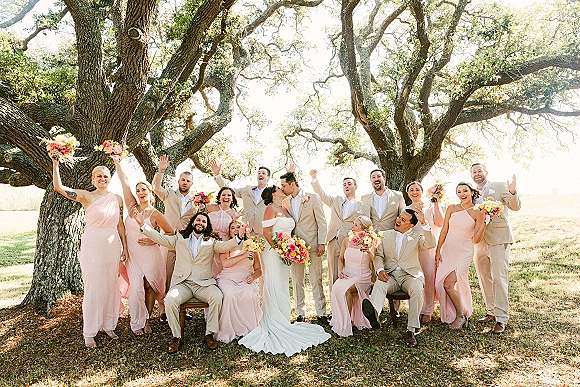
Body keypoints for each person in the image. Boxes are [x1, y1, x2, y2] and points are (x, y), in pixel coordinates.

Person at [134, 211, 245, 353]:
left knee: (217, 296)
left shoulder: (212, 241)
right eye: (198, 220)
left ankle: (209, 334)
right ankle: (176, 337)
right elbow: (161, 238)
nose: (201, 223)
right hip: (183, 284)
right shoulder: (180, 237)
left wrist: (239, 237)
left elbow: (226, 246)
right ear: (193, 222)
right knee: (170, 299)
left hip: (203, 284)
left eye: (204, 221)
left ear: (207, 225)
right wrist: (141, 224)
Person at [239, 186, 331, 355]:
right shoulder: (270, 208)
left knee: (283, 285)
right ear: (273, 193)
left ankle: (283, 318)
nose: (282, 189)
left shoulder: (285, 207)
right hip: (273, 252)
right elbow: (267, 233)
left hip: (285, 251)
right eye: (279, 188)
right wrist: (280, 249)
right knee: (274, 284)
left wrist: (291, 248)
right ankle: (274, 321)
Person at [52, 158, 128, 348]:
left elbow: (120, 224)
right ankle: (90, 332)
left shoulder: (117, 199)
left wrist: (125, 247)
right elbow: (59, 188)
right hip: (92, 244)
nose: (102, 179)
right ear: (93, 179)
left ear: (110, 179)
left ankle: (109, 325)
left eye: (105, 176)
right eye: (98, 176)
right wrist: (55, 164)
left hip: (112, 245)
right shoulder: (86, 196)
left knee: (111, 285)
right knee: (93, 287)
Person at [112, 156, 173, 335]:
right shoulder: (132, 207)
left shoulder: (155, 214)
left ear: (149, 192)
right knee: (137, 288)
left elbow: (170, 233)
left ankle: (146, 321)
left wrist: (154, 240)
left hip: (150, 254)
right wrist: (117, 161)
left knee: (148, 286)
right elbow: (124, 182)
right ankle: (136, 321)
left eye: (143, 189)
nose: (140, 192)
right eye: (138, 190)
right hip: (133, 255)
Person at [362, 209, 435, 347]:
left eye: (403, 220)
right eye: (399, 217)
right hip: (390, 275)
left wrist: (424, 223)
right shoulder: (384, 235)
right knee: (379, 284)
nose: (398, 220)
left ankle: (411, 330)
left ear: (411, 225)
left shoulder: (417, 235)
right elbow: (378, 256)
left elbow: (430, 244)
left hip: (410, 275)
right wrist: (380, 270)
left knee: (417, 289)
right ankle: (374, 315)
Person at [471, 163, 521, 334]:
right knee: (484, 277)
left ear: (486, 171)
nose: (477, 174)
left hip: (499, 238)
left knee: (499, 278)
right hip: (479, 240)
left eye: (480, 171)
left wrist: (513, 192)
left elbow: (515, 207)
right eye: (474, 172)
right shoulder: (472, 192)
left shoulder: (499, 186)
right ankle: (491, 311)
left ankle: (501, 318)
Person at [310, 169, 371, 294]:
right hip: (333, 240)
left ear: (356, 186)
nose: (346, 186)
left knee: (347, 274)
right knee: (333, 273)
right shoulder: (336, 200)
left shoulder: (364, 207)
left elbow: (366, 227)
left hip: (351, 244)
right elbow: (321, 194)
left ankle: (350, 307)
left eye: (349, 184)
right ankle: (335, 309)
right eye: (344, 185)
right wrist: (314, 179)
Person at [434, 182, 486, 329]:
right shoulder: (452, 208)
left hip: (464, 252)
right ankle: (450, 312)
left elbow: (476, 239)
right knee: (439, 284)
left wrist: (484, 223)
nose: (462, 194)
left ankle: (460, 315)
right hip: (448, 251)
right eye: (459, 191)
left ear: (471, 192)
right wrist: (438, 250)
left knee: (448, 284)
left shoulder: (478, 212)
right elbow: (444, 230)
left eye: (465, 191)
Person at [280, 171, 329, 323]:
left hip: (314, 245)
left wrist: (321, 242)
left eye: (284, 185)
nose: (282, 189)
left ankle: (321, 313)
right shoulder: (285, 202)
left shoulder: (312, 197)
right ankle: (300, 313)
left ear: (292, 184)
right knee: (297, 280)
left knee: (316, 279)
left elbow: (322, 221)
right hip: (294, 248)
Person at [152, 154, 194, 321]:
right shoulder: (169, 194)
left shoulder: (197, 200)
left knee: (184, 274)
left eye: (188, 181)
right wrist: (160, 171)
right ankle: (164, 309)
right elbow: (155, 188)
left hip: (186, 242)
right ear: (178, 181)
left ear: (191, 184)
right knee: (168, 273)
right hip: (169, 239)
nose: (184, 182)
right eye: (182, 180)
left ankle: (183, 307)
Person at [214, 219, 263, 343]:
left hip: (245, 278)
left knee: (248, 293)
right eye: (233, 228)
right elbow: (225, 263)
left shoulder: (252, 245)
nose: (236, 230)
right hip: (227, 277)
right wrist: (244, 255)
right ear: (229, 232)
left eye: (239, 227)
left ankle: (247, 330)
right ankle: (228, 330)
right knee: (229, 294)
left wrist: (253, 277)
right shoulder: (226, 245)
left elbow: (258, 269)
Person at [180, 186, 246, 277]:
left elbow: (235, 229)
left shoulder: (234, 213)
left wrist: (237, 217)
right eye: (223, 195)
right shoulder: (210, 207)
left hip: (223, 242)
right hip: (208, 239)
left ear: (232, 199)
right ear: (219, 197)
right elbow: (199, 219)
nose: (226, 197)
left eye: (229, 195)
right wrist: (200, 208)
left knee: (219, 265)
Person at [405, 181, 444, 323]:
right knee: (414, 278)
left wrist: (436, 203)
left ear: (421, 191)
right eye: (411, 190)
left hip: (429, 248)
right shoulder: (406, 209)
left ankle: (428, 310)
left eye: (417, 189)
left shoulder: (430, 206)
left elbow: (440, 223)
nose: (414, 192)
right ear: (408, 193)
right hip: (413, 249)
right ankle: (415, 309)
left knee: (429, 278)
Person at [329, 216, 374, 337]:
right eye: (353, 224)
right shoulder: (346, 240)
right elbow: (340, 258)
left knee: (347, 290)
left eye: (355, 225)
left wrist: (368, 251)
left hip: (362, 276)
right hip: (348, 274)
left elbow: (372, 260)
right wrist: (340, 270)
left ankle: (347, 324)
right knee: (336, 288)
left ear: (363, 229)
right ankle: (343, 320)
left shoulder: (370, 241)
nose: (352, 227)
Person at [210, 160, 270, 235]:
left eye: (263, 173)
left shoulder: (272, 193)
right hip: (245, 230)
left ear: (268, 177)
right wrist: (217, 175)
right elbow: (228, 191)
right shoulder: (246, 190)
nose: (260, 175)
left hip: (263, 231)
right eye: (259, 173)